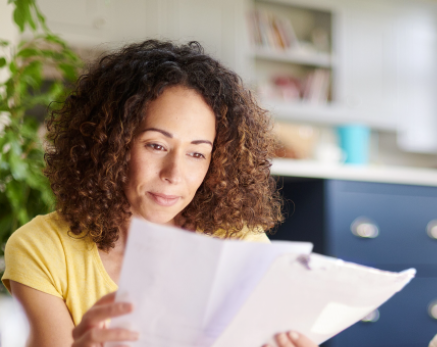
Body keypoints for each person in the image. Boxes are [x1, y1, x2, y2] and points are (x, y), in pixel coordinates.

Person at [2, 40, 318, 347]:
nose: (174, 174)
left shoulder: (238, 243)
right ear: (110, 145)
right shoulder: (42, 249)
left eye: (197, 154)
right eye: (156, 145)